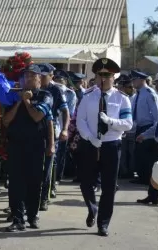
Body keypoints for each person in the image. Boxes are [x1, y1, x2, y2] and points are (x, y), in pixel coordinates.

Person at [76, 58, 133, 237]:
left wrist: (111, 122)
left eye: (107, 75)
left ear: (113, 77)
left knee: (108, 187)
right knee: (85, 182)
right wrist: (90, 138)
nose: (103, 78)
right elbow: (80, 120)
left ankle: (103, 223)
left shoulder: (122, 98)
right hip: (91, 144)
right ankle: (93, 208)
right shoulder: (88, 96)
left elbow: (128, 124)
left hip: (111, 145)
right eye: (100, 75)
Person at [2, 64, 54, 232]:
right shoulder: (13, 96)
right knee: (16, 184)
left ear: (39, 78)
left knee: (34, 182)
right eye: (25, 76)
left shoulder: (45, 95)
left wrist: (26, 100)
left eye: (32, 76)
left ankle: (32, 216)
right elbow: (6, 120)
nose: (28, 79)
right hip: (16, 145)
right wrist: (19, 102)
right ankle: (18, 219)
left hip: (36, 146)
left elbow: (39, 116)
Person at [38, 63, 70, 208]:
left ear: (51, 76)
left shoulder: (56, 90)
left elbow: (65, 111)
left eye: (45, 76)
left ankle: (44, 197)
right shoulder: (35, 87)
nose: (42, 78)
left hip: (51, 131)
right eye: (41, 75)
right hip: (35, 131)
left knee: (47, 166)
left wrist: (65, 129)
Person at [130, 70, 158, 185]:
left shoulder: (150, 93)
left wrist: (152, 132)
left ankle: (147, 178)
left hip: (148, 128)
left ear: (141, 80)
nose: (133, 82)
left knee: (146, 155)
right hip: (139, 127)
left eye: (134, 80)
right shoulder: (137, 94)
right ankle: (141, 176)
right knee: (139, 154)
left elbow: (157, 115)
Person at [53, 70, 77, 184]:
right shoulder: (51, 91)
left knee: (60, 154)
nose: (57, 82)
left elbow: (70, 112)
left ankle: (57, 177)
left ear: (66, 82)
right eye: (56, 80)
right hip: (52, 126)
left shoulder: (70, 93)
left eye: (60, 80)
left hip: (63, 126)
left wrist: (65, 129)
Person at [116, 75, 136, 179]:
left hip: (133, 130)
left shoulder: (135, 97)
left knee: (132, 153)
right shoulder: (121, 98)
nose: (132, 89)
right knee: (122, 153)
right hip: (122, 130)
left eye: (133, 87)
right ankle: (122, 172)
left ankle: (131, 172)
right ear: (124, 87)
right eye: (129, 87)